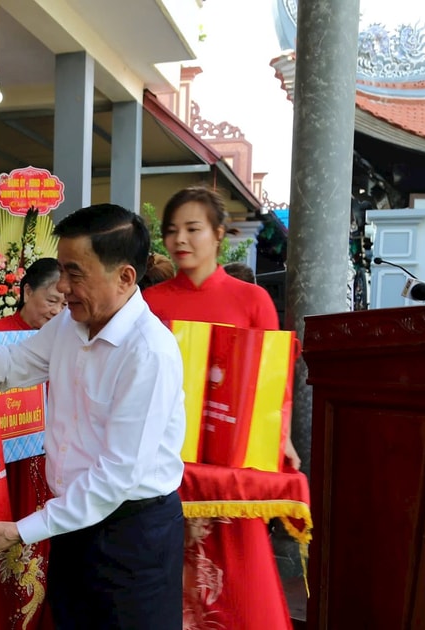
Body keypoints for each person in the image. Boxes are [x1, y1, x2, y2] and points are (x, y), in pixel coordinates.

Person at [0, 203, 186, 630]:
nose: (63, 288)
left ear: (125, 277)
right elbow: (14, 367)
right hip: (75, 525)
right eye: (62, 272)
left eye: (76, 274)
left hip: (131, 535)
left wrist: (22, 529)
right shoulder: (70, 326)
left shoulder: (149, 352)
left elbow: (115, 477)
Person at [142, 186, 298, 630]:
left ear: (218, 234)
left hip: (231, 457)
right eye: (172, 231)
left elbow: (275, 383)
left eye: (193, 229)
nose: (180, 240)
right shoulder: (151, 304)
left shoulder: (252, 301)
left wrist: (279, 437)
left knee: (238, 565)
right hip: (168, 458)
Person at [0, 257, 64, 630]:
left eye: (63, 303)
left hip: (48, 470)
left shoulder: (64, 338)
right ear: (25, 292)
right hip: (6, 470)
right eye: (51, 301)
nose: (57, 311)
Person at [0, 257, 65, 332]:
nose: (57, 311)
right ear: (28, 292)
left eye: (64, 305)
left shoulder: (64, 340)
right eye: (52, 301)